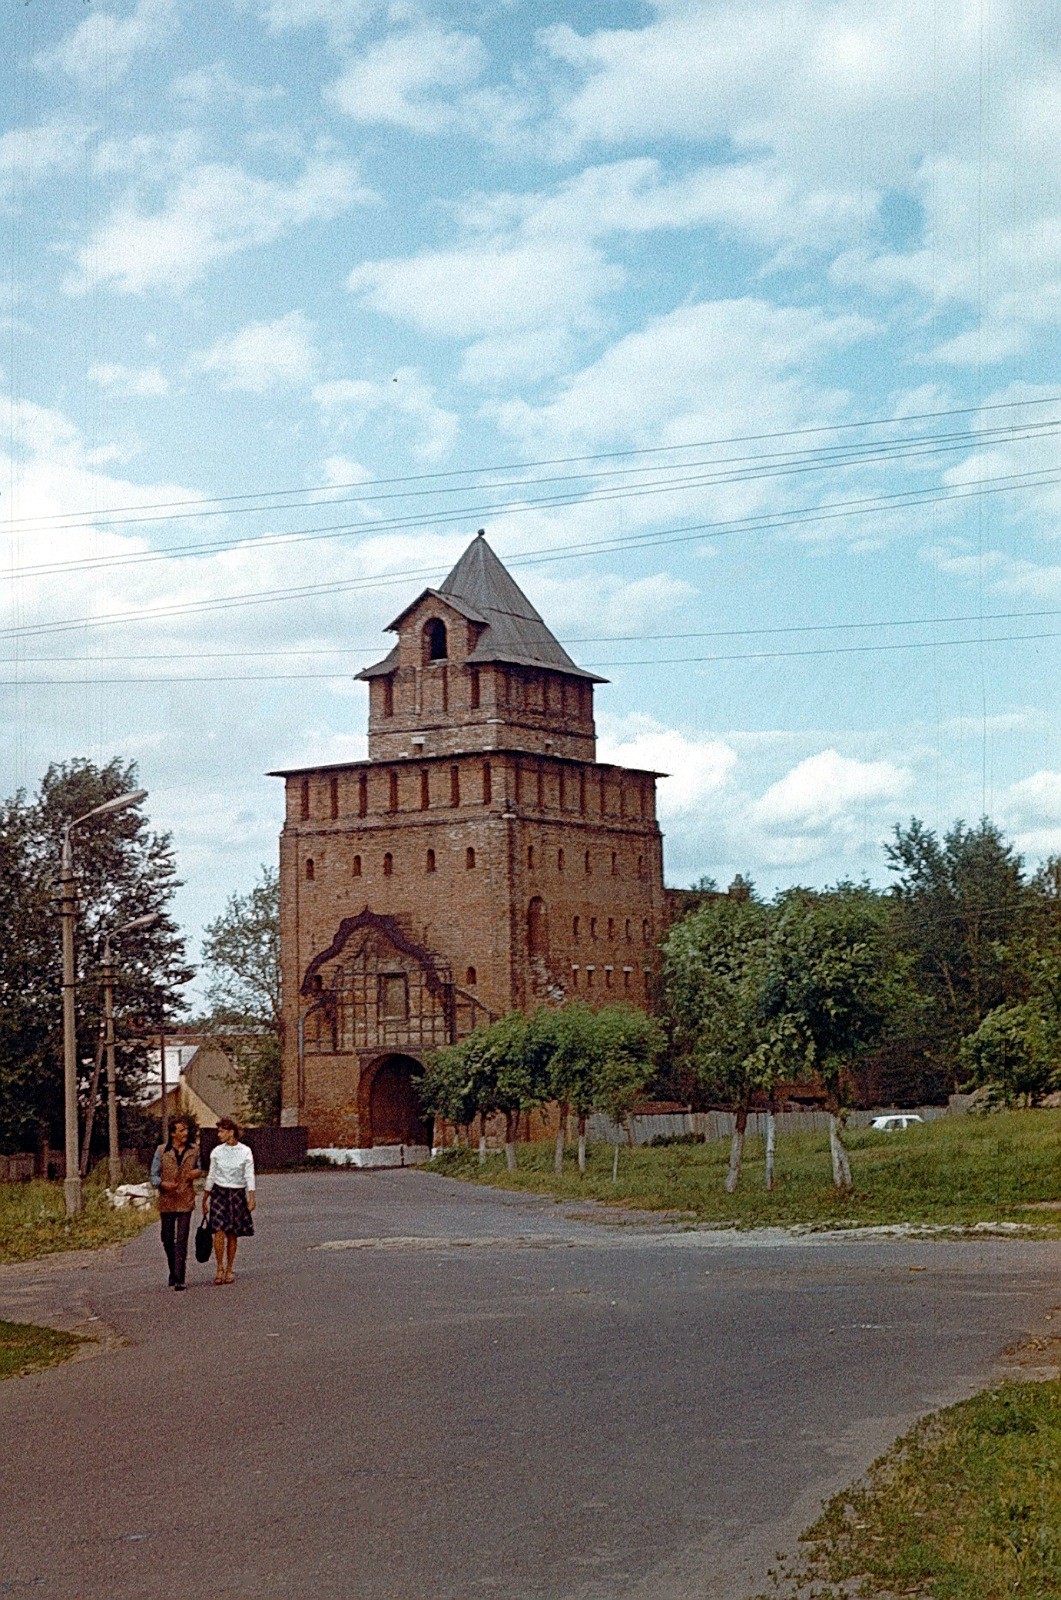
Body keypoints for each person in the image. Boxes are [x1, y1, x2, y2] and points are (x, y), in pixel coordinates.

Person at [149, 1116, 201, 1290]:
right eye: (181, 1130)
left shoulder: (194, 1150)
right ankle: (173, 1270)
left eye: (186, 1130)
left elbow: (199, 1168)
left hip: (185, 1197)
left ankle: (180, 1277)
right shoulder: (161, 1151)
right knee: (167, 1237)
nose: (185, 1133)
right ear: (173, 1134)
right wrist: (162, 1184)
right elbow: (153, 1175)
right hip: (167, 1199)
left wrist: (196, 1173)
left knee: (182, 1238)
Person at [202, 1117, 256, 1285]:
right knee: (218, 1230)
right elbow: (212, 1174)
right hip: (219, 1192)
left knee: (232, 1232)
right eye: (218, 1131)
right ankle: (219, 1267)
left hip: (237, 1192)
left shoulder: (245, 1151)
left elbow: (249, 1174)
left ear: (231, 1132)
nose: (219, 1135)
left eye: (222, 1131)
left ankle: (230, 1268)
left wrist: (251, 1196)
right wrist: (205, 1197)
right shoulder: (217, 1151)